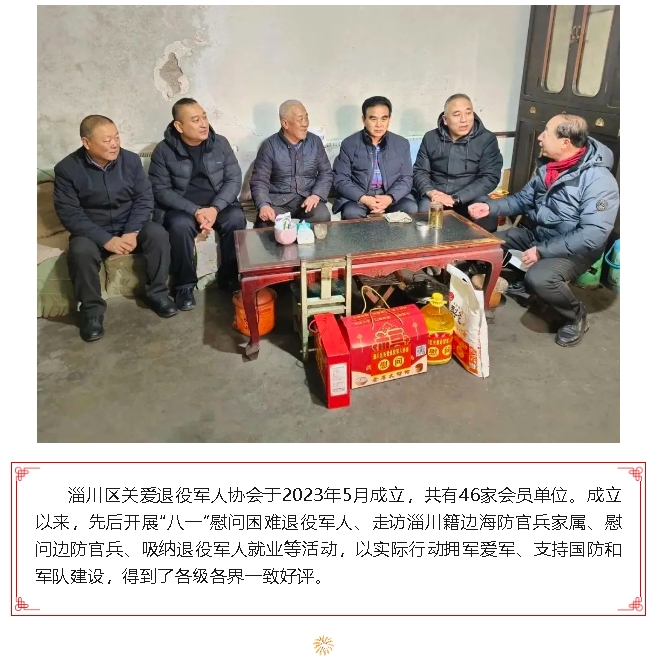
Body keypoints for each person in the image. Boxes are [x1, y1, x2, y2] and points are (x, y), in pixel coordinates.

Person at [468, 114, 619, 347]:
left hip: (575, 250)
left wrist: (542, 251)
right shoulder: (549, 166)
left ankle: (575, 316)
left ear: (565, 142)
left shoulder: (598, 180)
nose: (540, 137)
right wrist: (490, 207)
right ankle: (525, 279)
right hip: (541, 235)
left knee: (540, 278)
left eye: (546, 132)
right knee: (490, 245)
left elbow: (593, 234)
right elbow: (523, 200)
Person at [54, 115, 177, 342]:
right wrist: (106, 239)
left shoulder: (130, 160)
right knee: (80, 251)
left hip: (128, 224)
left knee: (158, 234)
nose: (114, 144)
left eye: (117, 137)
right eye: (107, 140)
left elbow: (144, 199)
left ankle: (158, 293)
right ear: (86, 142)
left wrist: (131, 231)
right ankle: (91, 311)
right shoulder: (67, 169)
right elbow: (69, 214)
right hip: (92, 230)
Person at [149, 98, 246, 311]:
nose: (203, 124)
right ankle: (184, 285)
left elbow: (233, 179)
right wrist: (195, 210)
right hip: (184, 208)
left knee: (236, 218)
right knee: (180, 226)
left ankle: (230, 277)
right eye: (195, 120)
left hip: (218, 205)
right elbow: (160, 190)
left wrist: (215, 208)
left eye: (204, 117)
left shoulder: (220, 143)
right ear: (179, 126)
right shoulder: (163, 151)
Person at [413, 93, 503, 231]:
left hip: (470, 195)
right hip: (437, 194)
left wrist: (456, 198)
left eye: (468, 113)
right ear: (445, 119)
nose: (464, 120)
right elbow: (420, 171)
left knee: (485, 213)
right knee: (425, 211)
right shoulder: (431, 138)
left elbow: (490, 177)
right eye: (457, 114)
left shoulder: (486, 139)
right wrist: (430, 192)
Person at [331, 96, 417, 219]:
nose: (379, 125)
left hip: (390, 197)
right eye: (373, 119)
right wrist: (364, 199)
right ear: (364, 119)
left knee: (410, 207)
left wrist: (390, 198)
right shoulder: (349, 144)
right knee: (351, 212)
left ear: (389, 120)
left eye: (384, 119)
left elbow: (406, 178)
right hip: (360, 198)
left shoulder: (401, 144)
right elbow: (341, 179)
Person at [250, 100, 333, 228]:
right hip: (278, 203)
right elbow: (259, 180)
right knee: (267, 222)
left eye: (306, 118)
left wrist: (316, 195)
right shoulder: (269, 146)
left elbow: (326, 173)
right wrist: (264, 205)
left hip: (308, 199)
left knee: (322, 216)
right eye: (300, 119)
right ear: (285, 124)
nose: (305, 123)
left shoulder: (315, 142)